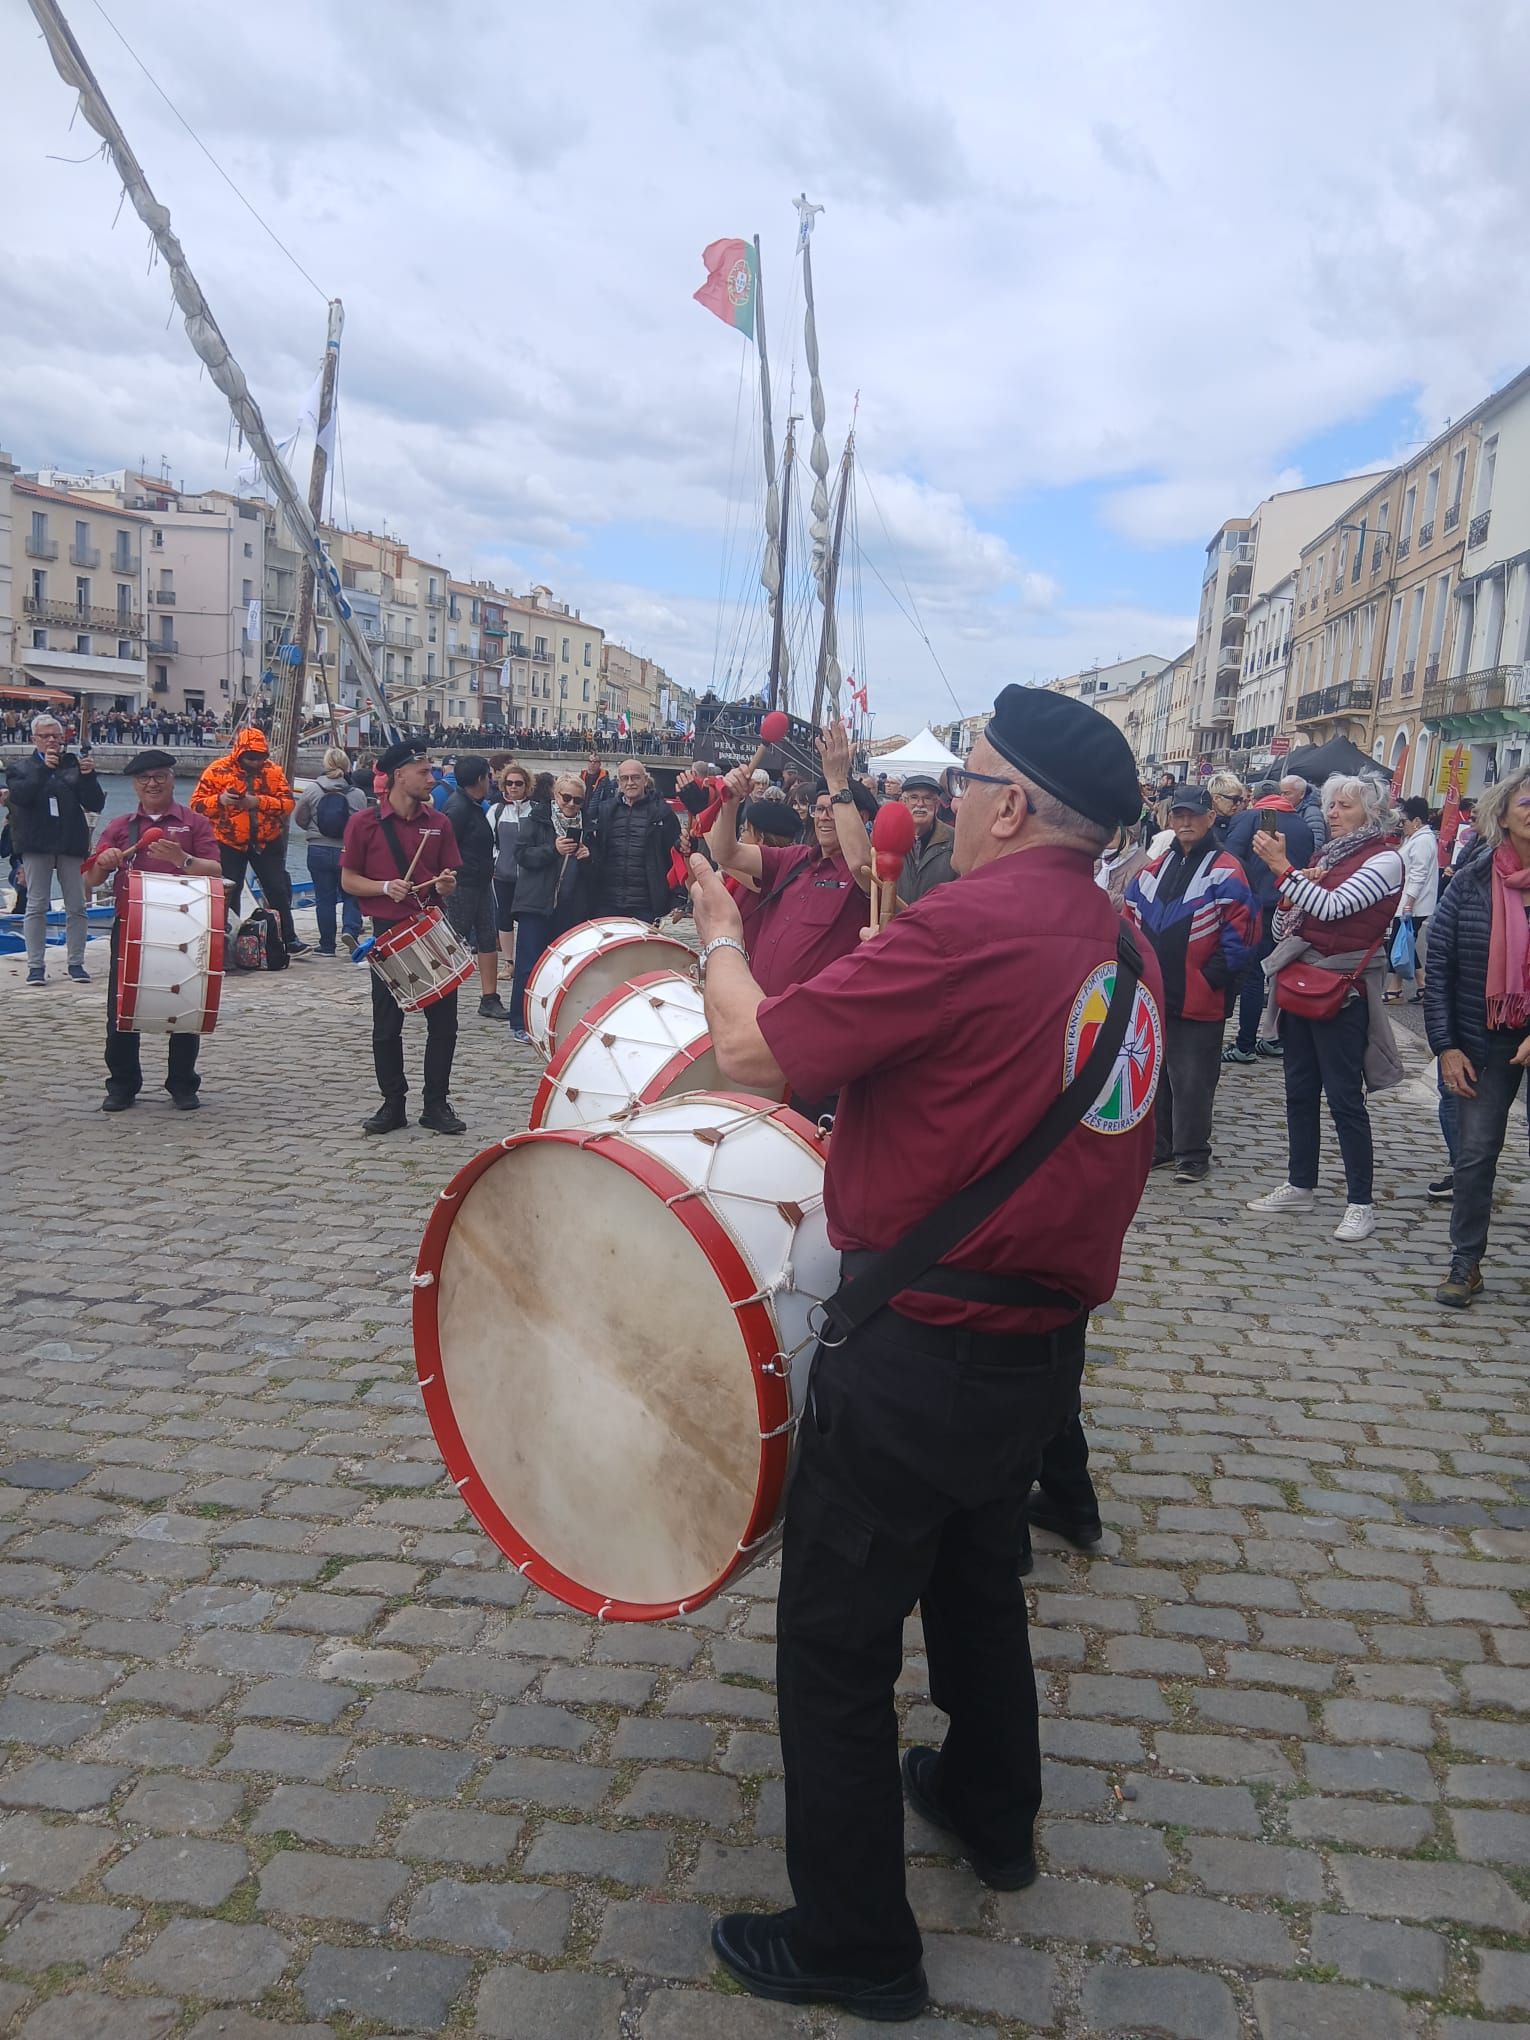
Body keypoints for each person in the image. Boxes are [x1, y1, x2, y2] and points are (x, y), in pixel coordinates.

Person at [685, 685, 1161, 2020]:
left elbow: (751, 1048)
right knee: (975, 1575)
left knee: (833, 1649)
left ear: (1011, 805)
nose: (946, 802)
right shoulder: (1123, 941)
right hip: (1039, 1351)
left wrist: (721, 933)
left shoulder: (968, 922)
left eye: (968, 782)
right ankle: (989, 1812)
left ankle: (856, 1944)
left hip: (922, 1346)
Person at [1247, 774, 1405, 1241]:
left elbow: (1335, 908)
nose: (1332, 813)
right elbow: (1288, 925)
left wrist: (1284, 869)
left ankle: (1361, 1201)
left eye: (1344, 806)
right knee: (1298, 1088)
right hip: (1303, 979)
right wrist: (1293, 885)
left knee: (1343, 1097)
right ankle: (1300, 1182)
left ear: (1370, 815)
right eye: (1331, 805)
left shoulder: (1386, 861)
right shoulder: (1323, 858)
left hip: (1343, 987)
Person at [1423, 766, 1530, 1306]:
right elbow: (1438, 964)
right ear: (1503, 814)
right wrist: (1446, 1046)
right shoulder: (1471, 880)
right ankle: (1466, 1264)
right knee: (1475, 1154)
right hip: (1486, 1038)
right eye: (1528, 802)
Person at [1124, 785, 1256, 1183]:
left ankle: (1193, 1155)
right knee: (1156, 1076)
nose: (1184, 822)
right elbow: (1130, 919)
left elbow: (1243, 933)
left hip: (1200, 997)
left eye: (1192, 816)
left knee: (1193, 1081)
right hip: (1155, 995)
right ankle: (1161, 1146)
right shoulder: (1153, 869)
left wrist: (1212, 978)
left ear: (1210, 818)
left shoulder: (1227, 868)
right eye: (1178, 816)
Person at [83, 750, 224, 1112]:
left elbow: (214, 870)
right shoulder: (120, 826)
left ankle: (182, 1083)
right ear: (135, 784)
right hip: (132, 928)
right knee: (121, 1008)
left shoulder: (195, 823)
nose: (152, 783)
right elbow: (91, 878)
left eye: (159, 776)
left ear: (172, 779)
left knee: (185, 1003)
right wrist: (102, 862)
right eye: (145, 778)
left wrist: (182, 860)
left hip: (185, 927)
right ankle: (122, 1085)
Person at [340, 737, 464, 1135]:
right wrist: (383, 887)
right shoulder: (364, 823)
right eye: (425, 772)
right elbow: (348, 879)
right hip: (387, 932)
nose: (433, 778)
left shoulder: (439, 823)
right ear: (399, 775)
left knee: (444, 1025)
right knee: (386, 1026)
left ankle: (436, 1104)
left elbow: (449, 877)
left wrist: (446, 885)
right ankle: (392, 1104)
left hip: (429, 925)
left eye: (432, 771)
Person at [706, 720, 875, 1000]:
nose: (822, 817)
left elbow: (860, 864)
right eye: (818, 809)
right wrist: (731, 803)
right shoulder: (795, 859)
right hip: (760, 1005)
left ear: (861, 817)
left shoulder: (865, 873)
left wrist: (837, 782)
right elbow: (726, 854)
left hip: (812, 1021)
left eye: (833, 809)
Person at [6, 712, 105, 985]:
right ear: (34, 739)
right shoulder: (20, 769)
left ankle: (76, 963)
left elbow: (95, 803)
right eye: (45, 736)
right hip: (36, 842)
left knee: (76, 905)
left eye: (56, 737)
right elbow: (22, 797)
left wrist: (88, 777)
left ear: (63, 739)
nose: (51, 741)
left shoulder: (73, 766)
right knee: (36, 905)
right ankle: (35, 965)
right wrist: (44, 769)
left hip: (70, 843)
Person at [1220, 782, 1315, 1064]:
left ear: (1257, 799)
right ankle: (1275, 1038)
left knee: (1253, 976)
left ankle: (1245, 1045)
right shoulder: (1303, 825)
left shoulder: (1250, 819)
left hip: (1256, 905)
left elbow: (1229, 859)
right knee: (1282, 974)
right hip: (1291, 906)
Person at [191, 726, 306, 958]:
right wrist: (220, 800)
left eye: (259, 758)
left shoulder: (274, 772)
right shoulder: (216, 771)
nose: (255, 762)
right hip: (228, 842)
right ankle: (227, 942)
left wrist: (258, 802)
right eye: (250, 758)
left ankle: (288, 939)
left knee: (277, 890)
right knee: (229, 893)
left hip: (267, 841)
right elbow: (196, 806)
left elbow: (287, 804)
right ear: (239, 753)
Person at [509, 773, 592, 1039]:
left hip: (568, 906)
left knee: (559, 969)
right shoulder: (538, 818)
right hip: (535, 902)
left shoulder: (588, 824)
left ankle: (550, 1020)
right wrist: (552, 849)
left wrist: (588, 857)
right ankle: (520, 1022)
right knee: (527, 966)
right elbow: (521, 855)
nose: (571, 804)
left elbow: (598, 872)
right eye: (566, 797)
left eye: (577, 800)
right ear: (556, 796)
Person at [442, 756, 506, 1020]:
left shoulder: (474, 805)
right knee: (454, 940)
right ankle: (443, 994)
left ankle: (489, 997)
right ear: (479, 780)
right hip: (462, 885)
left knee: (487, 938)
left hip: (480, 883)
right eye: (487, 776)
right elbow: (446, 847)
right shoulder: (457, 808)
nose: (490, 781)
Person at [293, 747, 365, 956]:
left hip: (318, 849)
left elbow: (300, 818)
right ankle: (350, 929)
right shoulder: (357, 794)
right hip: (348, 849)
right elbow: (362, 825)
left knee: (324, 898)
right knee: (352, 894)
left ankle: (327, 945)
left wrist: (314, 831)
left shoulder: (312, 790)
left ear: (326, 765)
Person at [588, 760, 680, 922]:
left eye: (635, 778)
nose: (630, 783)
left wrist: (677, 899)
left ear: (645, 780)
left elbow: (675, 858)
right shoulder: (605, 811)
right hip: (608, 901)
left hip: (646, 904)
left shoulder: (663, 813)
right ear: (619, 783)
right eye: (625, 778)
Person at [1384, 796, 1440, 1003]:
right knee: (1403, 944)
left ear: (1416, 821)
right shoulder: (1416, 839)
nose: (1402, 825)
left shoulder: (1423, 841)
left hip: (1413, 904)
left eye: (1404, 821)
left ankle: (1399, 988)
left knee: (1400, 944)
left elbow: (1418, 873)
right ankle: (1418, 985)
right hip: (1410, 902)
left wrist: (1408, 902)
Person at [487, 762, 532, 978]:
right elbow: (488, 841)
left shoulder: (535, 811)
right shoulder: (496, 810)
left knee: (526, 918)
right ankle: (509, 962)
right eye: (509, 783)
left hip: (529, 875)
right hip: (503, 873)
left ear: (526, 786)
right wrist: (495, 860)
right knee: (503, 917)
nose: (513, 787)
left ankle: (525, 960)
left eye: (518, 783)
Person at [895, 775, 957, 903]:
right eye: (914, 798)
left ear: (937, 805)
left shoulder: (954, 839)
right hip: (896, 920)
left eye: (928, 798)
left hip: (936, 920)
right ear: (903, 802)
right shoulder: (890, 837)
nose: (920, 804)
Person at [1282, 773, 1329, 851]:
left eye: (1287, 793)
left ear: (1302, 794)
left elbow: (1316, 843)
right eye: (1281, 793)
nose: (1282, 797)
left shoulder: (1312, 812)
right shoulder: (1289, 809)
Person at [1206, 769, 1247, 846]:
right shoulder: (1203, 827)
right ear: (1216, 798)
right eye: (1234, 799)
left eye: (1240, 799)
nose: (1238, 803)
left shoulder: (1242, 825)